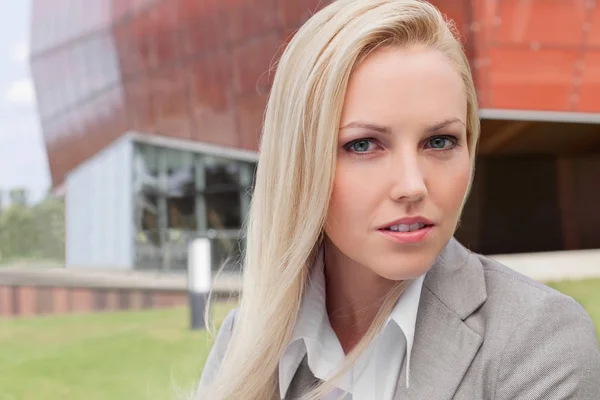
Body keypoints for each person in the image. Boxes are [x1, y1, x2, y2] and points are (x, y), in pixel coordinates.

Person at [194, 0, 600, 399]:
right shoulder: (244, 342)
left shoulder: (538, 341)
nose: (412, 185)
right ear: (299, 164)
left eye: (439, 141)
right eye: (364, 144)